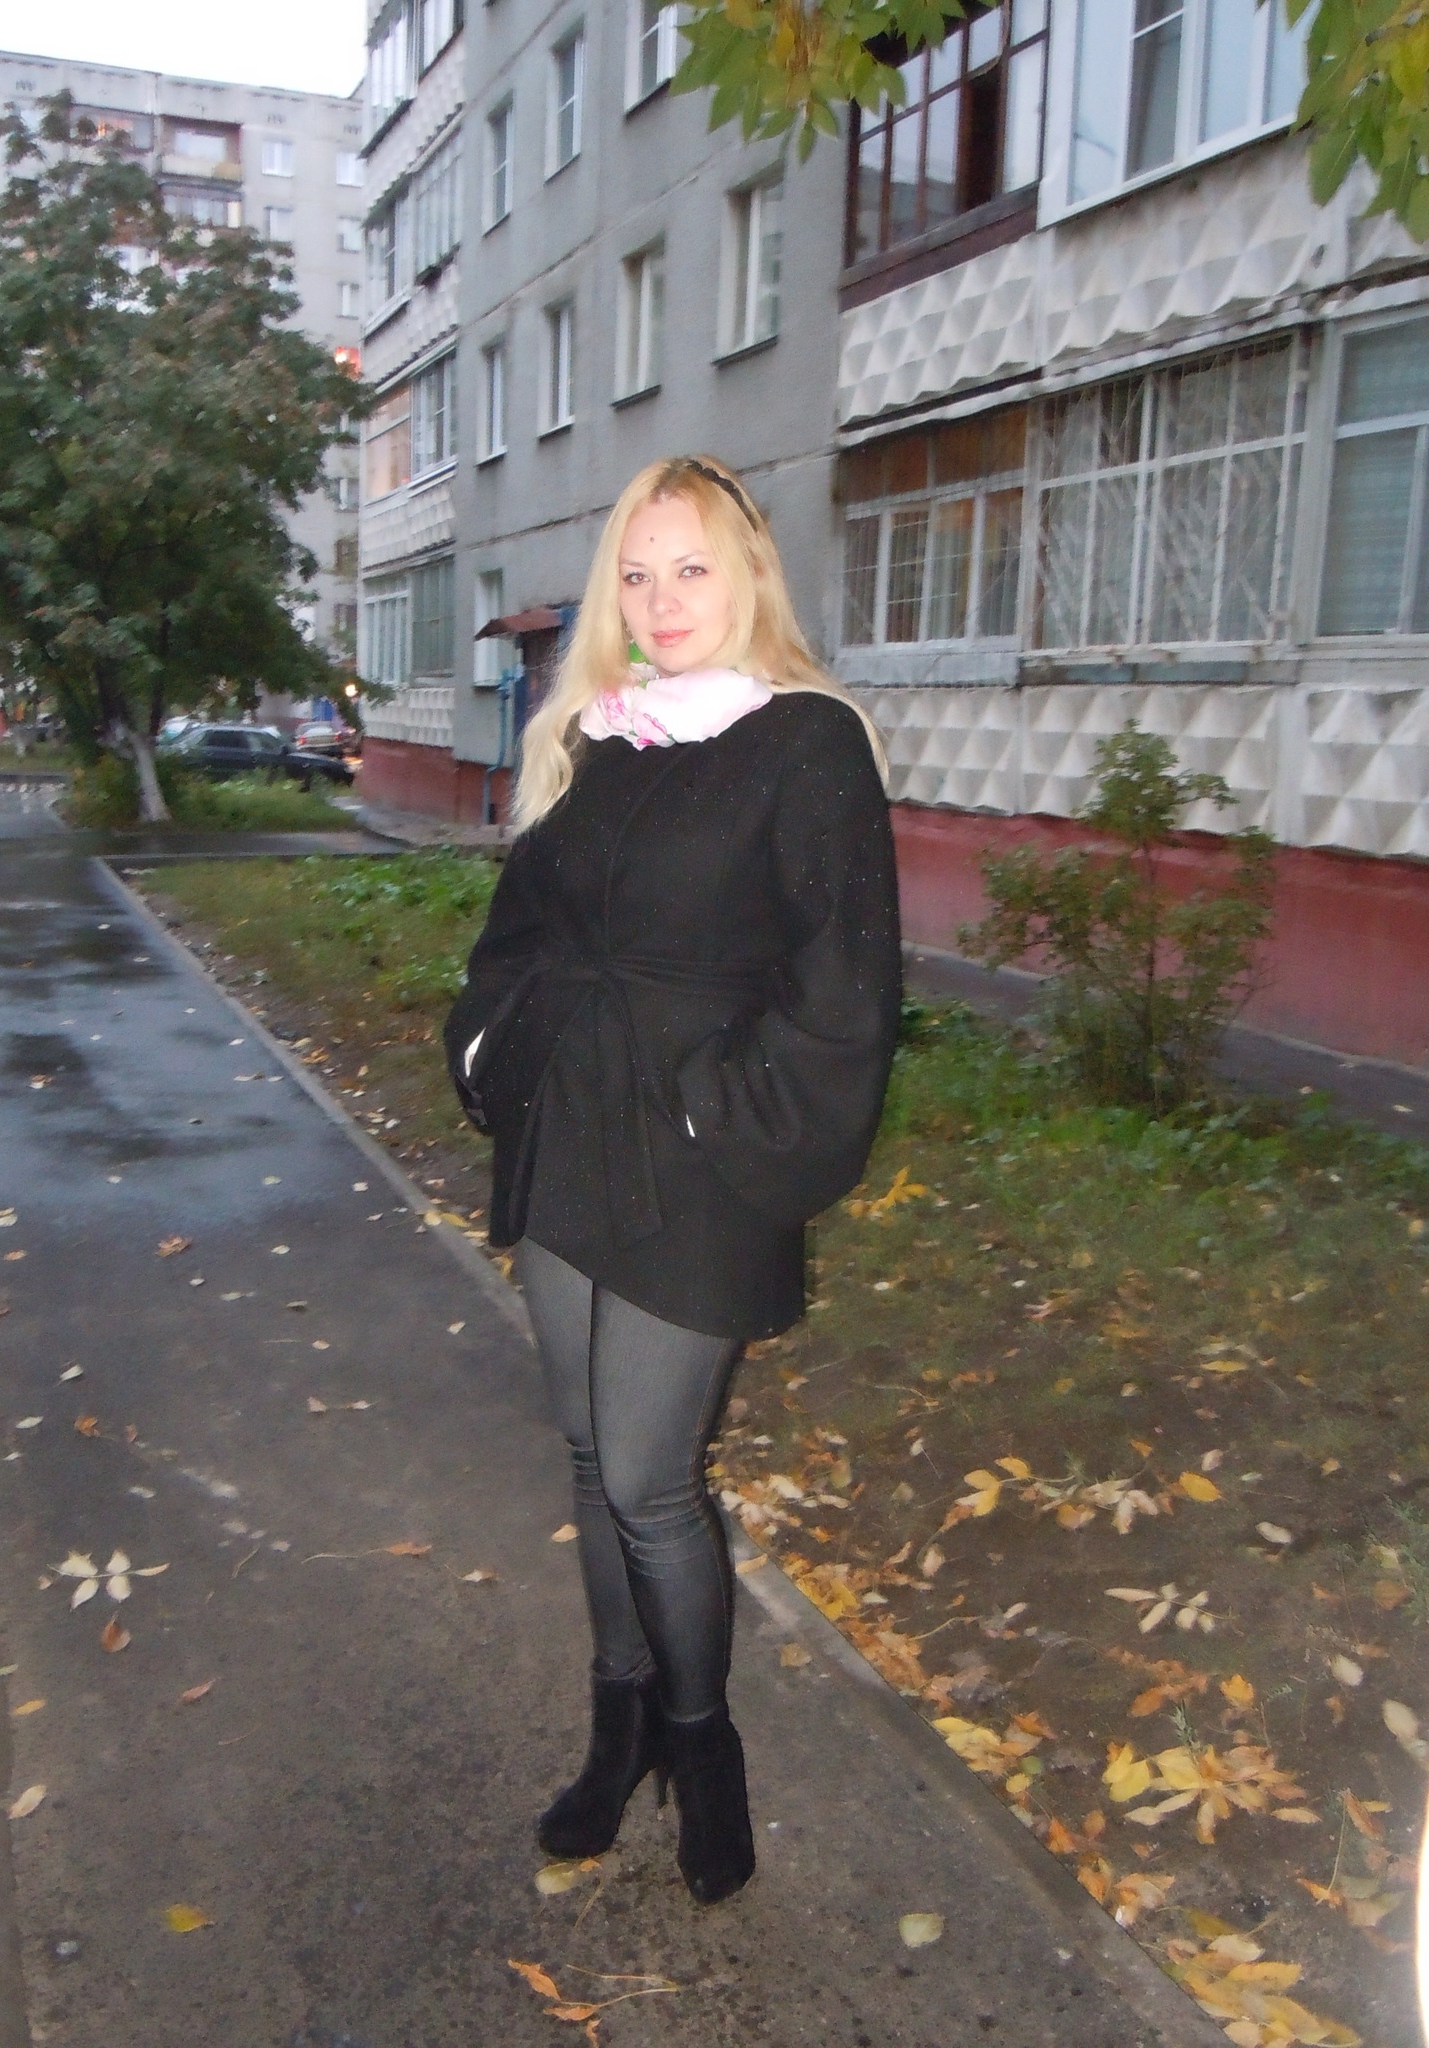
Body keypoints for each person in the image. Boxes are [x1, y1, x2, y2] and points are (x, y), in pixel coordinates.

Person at [444, 455, 902, 1906]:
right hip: (569, 1133)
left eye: (690, 567)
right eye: (635, 574)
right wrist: (491, 1047)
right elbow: (521, 933)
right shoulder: (600, 735)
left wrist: (725, 1120)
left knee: (649, 1481)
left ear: (749, 571)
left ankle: (704, 1749)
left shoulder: (804, 741)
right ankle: (619, 1724)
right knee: (590, 1459)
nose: (660, 600)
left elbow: (845, 994)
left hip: (702, 1156)